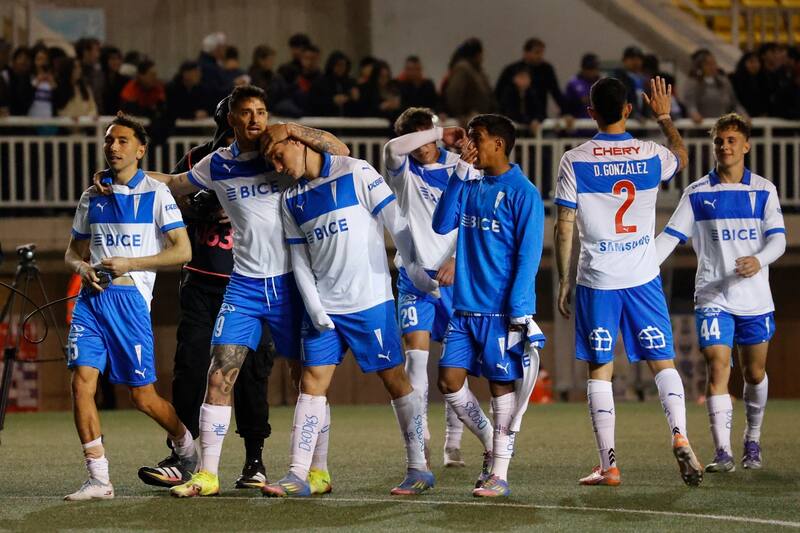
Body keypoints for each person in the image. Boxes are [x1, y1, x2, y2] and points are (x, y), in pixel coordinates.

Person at [93, 85, 349, 497]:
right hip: (243, 286)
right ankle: (207, 476)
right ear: (230, 119)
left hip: (292, 285)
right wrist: (122, 177)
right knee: (218, 375)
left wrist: (290, 127)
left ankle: (315, 470)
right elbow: (175, 183)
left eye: (262, 112)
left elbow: (340, 150)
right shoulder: (218, 164)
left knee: (307, 378)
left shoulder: (285, 151)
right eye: (246, 112)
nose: (255, 120)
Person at [262, 121, 440, 498]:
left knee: (394, 380)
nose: (277, 167)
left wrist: (416, 271)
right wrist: (313, 305)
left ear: (298, 142)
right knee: (311, 385)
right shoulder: (290, 199)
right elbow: (299, 259)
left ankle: (418, 467)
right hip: (325, 309)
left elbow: (398, 223)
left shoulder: (356, 171)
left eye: (278, 156)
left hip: (370, 302)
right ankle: (299, 474)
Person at [553, 77, 703, 487]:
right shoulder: (651, 154)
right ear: (626, 110)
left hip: (598, 279)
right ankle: (680, 434)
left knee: (600, 370)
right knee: (663, 362)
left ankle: (610, 464)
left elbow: (565, 224)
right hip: (642, 275)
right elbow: (682, 156)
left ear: (591, 113)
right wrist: (664, 117)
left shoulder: (575, 160)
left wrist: (565, 280)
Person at [135, 96, 276, 490]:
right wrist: (199, 208)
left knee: (251, 371)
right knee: (191, 368)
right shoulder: (202, 156)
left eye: (257, 114)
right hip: (202, 278)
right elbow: (172, 196)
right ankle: (183, 454)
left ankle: (254, 459)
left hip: (250, 280)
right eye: (234, 119)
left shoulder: (272, 156)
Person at [64, 113, 196, 500]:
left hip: (130, 303)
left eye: (122, 140)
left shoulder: (157, 193)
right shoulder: (93, 196)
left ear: (140, 150)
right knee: (81, 384)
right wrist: (82, 267)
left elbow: (183, 251)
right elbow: (72, 253)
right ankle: (99, 479)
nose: (113, 147)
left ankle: (186, 447)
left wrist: (130, 264)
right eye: (109, 141)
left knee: (142, 397)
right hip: (90, 302)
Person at [655, 113, 786, 472]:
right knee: (717, 366)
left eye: (731, 141)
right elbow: (670, 237)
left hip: (755, 299)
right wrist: (638, 263)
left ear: (745, 146)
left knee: (755, 372)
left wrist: (759, 261)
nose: (724, 147)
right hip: (713, 297)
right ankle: (722, 453)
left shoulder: (763, 190)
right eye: (719, 141)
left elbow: (779, 240)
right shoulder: (697, 193)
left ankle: (752, 439)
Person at [433, 114, 546, 497]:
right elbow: (440, 222)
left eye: (476, 139)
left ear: (498, 143)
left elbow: (528, 257)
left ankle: (499, 473)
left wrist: (519, 308)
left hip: (501, 311)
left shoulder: (523, 192)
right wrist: (458, 171)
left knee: (501, 387)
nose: (469, 146)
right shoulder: (470, 183)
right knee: (448, 381)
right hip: (464, 308)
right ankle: (489, 440)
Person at [382, 107, 477, 467]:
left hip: (457, 276)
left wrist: (459, 259)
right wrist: (438, 133)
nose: (422, 146)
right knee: (416, 359)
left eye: (426, 134)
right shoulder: (403, 172)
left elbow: (471, 219)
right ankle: (419, 438)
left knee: (456, 365)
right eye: (417, 137)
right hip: (414, 278)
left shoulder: (459, 166)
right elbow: (393, 149)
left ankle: (453, 446)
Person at [495, 38, 567, 122]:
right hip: (514, 118)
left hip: (539, 117)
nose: (540, 56)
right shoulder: (512, 70)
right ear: (526, 53)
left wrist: (566, 112)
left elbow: (556, 93)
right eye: (537, 52)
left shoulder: (546, 70)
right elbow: (498, 94)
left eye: (542, 53)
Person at [442, 38, 496, 126]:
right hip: (468, 119)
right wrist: (461, 115)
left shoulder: (477, 70)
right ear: (477, 54)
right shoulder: (462, 69)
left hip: (478, 118)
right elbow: (455, 94)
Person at [684, 49, 746, 123]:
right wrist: (694, 113)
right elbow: (690, 104)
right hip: (702, 126)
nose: (712, 66)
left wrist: (743, 114)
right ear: (700, 66)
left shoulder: (724, 81)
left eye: (714, 63)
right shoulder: (693, 83)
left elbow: (735, 103)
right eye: (708, 64)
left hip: (721, 125)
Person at [564, 54, 602, 119]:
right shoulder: (573, 83)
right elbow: (566, 104)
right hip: (579, 125)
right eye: (588, 69)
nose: (591, 72)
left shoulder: (604, 83)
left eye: (594, 68)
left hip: (598, 126)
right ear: (583, 68)